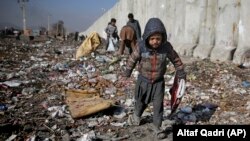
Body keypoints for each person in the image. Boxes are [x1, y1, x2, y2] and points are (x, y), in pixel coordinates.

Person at [122, 18, 186, 139]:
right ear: (147, 38)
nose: (155, 41)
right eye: (152, 39)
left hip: (158, 83)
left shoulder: (166, 48)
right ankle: (136, 117)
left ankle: (157, 128)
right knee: (140, 102)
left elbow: (176, 60)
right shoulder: (141, 46)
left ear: (162, 38)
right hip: (143, 81)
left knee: (158, 106)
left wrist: (181, 71)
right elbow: (132, 59)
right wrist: (127, 73)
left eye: (158, 38)